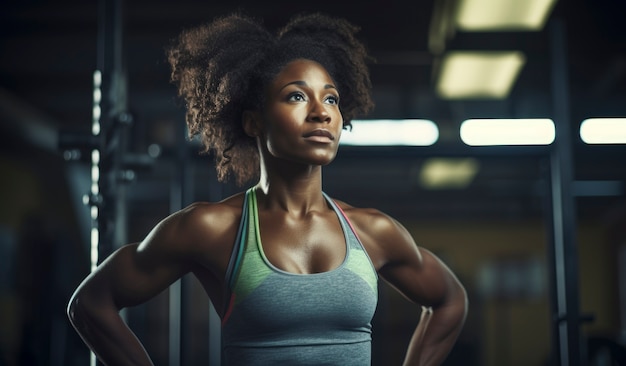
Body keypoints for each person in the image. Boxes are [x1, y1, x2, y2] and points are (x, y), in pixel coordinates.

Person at [67, 12, 468, 365]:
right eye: (296, 96)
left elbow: (450, 300)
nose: (321, 112)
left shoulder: (373, 231)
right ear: (253, 122)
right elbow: (91, 304)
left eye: (331, 98)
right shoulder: (212, 228)